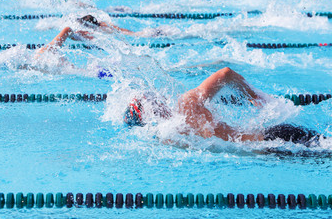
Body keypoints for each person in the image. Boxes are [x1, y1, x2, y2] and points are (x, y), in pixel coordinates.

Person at [124, 67, 322, 147]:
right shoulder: (184, 110)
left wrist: (252, 96)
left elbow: (226, 73)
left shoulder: (170, 136)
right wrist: (251, 96)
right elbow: (225, 73)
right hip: (271, 141)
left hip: (274, 140)